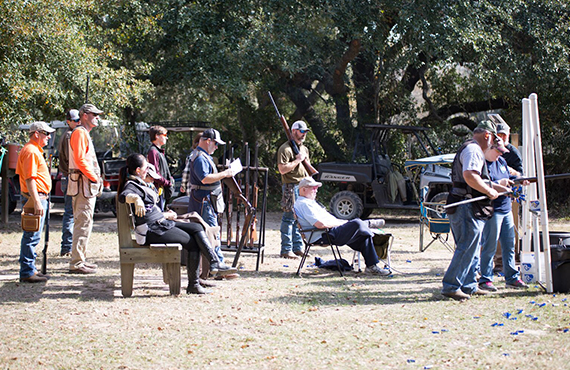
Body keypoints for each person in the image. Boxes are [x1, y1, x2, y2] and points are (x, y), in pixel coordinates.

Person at [118, 154, 235, 294]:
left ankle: (214, 262)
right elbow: (124, 196)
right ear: (138, 170)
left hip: (160, 224)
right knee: (193, 242)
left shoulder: (139, 183)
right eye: (145, 167)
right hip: (152, 231)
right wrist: (136, 199)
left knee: (197, 227)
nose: (147, 170)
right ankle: (195, 284)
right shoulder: (132, 185)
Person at [441, 121, 512, 301]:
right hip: (466, 205)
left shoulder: (471, 148)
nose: (494, 144)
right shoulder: (473, 150)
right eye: (494, 139)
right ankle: (451, 286)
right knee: (466, 247)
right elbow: (470, 176)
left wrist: (499, 187)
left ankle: (469, 285)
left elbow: (473, 179)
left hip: (465, 205)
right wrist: (489, 191)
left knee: (471, 248)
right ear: (487, 136)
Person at [294, 177, 389, 275]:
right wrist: (343, 223)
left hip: (328, 231)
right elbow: (320, 224)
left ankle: (371, 267)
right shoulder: (303, 204)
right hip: (322, 235)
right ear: (303, 189)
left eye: (316, 187)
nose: (316, 190)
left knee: (364, 236)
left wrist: (344, 223)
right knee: (357, 223)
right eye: (313, 188)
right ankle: (368, 224)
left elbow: (329, 220)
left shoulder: (310, 202)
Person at [478, 138, 529, 291]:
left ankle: (512, 277)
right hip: (492, 210)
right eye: (498, 151)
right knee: (490, 245)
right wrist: (500, 184)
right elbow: (484, 184)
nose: (500, 154)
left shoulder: (501, 162)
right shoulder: (483, 165)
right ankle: (485, 279)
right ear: (490, 148)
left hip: (506, 209)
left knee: (509, 245)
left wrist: (520, 179)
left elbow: (510, 177)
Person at [182, 128, 234, 268]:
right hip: (204, 201)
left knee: (209, 233)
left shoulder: (201, 155)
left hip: (205, 200)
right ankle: (218, 264)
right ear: (208, 141)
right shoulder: (200, 157)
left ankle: (213, 265)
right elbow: (205, 179)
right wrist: (225, 173)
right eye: (215, 143)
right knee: (212, 232)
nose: (216, 147)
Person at [16, 121, 55, 283]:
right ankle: (27, 271)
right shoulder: (31, 151)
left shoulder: (33, 150)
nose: (49, 137)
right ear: (36, 134)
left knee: (34, 235)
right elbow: (30, 178)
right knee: (32, 235)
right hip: (36, 197)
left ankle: (30, 269)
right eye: (46, 134)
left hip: (38, 196)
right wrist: (37, 201)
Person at [67, 103, 104, 274]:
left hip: (85, 186)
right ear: (84, 115)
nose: (97, 117)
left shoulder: (82, 133)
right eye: (94, 114)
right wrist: (94, 177)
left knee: (85, 222)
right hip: (83, 186)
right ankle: (76, 262)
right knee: (82, 222)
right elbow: (81, 160)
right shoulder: (80, 133)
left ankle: (80, 259)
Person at [277, 120, 312, 259]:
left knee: (300, 218)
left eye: (305, 132)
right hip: (291, 186)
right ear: (293, 131)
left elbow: (307, 168)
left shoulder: (304, 149)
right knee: (288, 218)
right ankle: (286, 249)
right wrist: (297, 160)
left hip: (303, 186)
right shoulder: (285, 149)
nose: (304, 134)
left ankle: (298, 247)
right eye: (301, 131)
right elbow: (282, 169)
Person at [57, 109, 80, 256]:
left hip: (69, 177)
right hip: (69, 178)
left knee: (72, 213)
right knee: (70, 213)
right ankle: (67, 247)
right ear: (68, 122)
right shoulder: (69, 136)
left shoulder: (72, 134)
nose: (78, 123)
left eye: (79, 120)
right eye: (75, 120)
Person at [147, 125, 174, 211]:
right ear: (157, 136)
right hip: (158, 192)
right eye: (165, 135)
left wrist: (170, 180)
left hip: (162, 191)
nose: (167, 138)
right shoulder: (153, 152)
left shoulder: (158, 152)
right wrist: (167, 183)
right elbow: (154, 174)